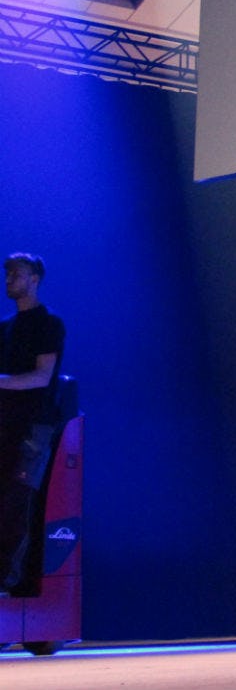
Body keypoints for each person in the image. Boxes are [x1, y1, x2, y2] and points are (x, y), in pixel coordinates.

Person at [0, 252, 65, 594]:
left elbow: (42, 377)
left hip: (33, 427)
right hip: (5, 425)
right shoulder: (5, 327)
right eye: (7, 273)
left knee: (17, 501)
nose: (9, 279)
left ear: (35, 279)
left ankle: (6, 581)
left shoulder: (48, 323)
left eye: (17, 273)